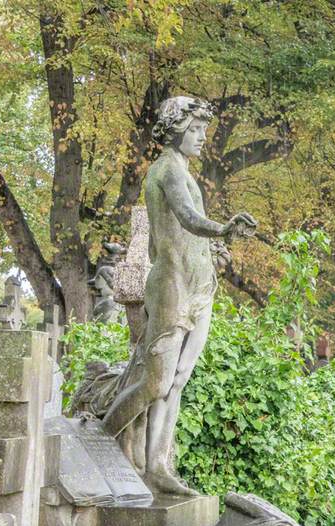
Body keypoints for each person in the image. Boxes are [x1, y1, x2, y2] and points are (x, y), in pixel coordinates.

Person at [101, 96, 256, 496]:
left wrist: (216, 248)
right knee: (156, 383)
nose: (203, 138)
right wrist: (223, 229)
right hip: (172, 286)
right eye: (196, 130)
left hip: (199, 287)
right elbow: (186, 217)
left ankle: (157, 466)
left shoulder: (183, 169)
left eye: (204, 130)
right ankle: (102, 441)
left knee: (178, 380)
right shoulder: (167, 168)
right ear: (176, 131)